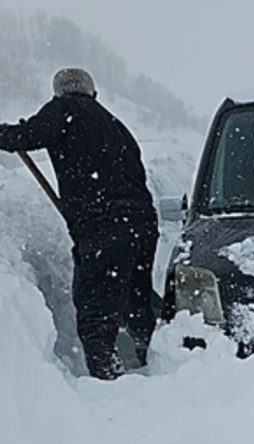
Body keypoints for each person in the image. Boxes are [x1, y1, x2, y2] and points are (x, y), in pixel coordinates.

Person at [0, 68, 158, 380]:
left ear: (58, 93)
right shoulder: (117, 125)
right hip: (142, 225)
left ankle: (106, 379)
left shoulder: (65, 109)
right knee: (136, 301)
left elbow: (27, 136)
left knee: (95, 310)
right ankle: (154, 361)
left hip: (104, 226)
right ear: (94, 93)